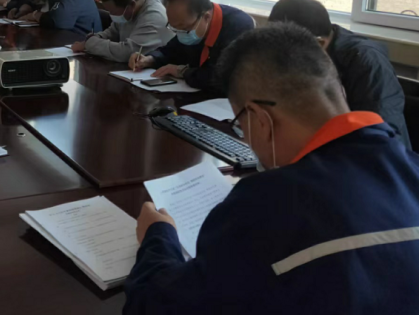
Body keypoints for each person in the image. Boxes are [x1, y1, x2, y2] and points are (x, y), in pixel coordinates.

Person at [125, 23, 419, 314]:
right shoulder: (410, 166)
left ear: (259, 119)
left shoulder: (266, 206)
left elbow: (155, 306)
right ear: (340, 91)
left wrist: (157, 236)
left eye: (240, 124)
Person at [268, 0, 410, 148]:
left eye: (286, 51)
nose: (281, 58)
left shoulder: (367, 62)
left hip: (371, 156)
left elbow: (383, 139)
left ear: (319, 43)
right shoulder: (306, 52)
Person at [129, 0, 253, 91]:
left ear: (206, 17)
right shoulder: (189, 25)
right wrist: (149, 59)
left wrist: (182, 72)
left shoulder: (238, 26)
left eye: (183, 27)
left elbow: (223, 77)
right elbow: (171, 50)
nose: (180, 33)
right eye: (174, 27)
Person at [70, 0, 171, 62]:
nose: (111, 15)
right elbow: (111, 33)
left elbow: (127, 52)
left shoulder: (154, 16)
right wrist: (93, 38)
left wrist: (90, 44)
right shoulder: (127, 12)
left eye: (113, 12)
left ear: (131, 5)